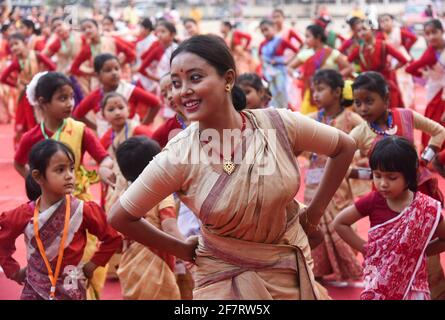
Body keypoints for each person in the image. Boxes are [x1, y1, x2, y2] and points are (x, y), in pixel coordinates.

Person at [108, 34, 357, 300]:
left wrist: (313, 215)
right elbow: (120, 216)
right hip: (223, 281)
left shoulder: (278, 124)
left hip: (290, 275)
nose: (183, 91)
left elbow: (345, 147)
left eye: (195, 78)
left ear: (228, 79)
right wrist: (182, 249)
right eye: (176, 83)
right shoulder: (179, 154)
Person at [349, 71, 445, 299]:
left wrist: (424, 159)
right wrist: (375, 177)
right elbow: (344, 165)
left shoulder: (406, 116)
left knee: (430, 265)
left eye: (369, 101)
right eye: (357, 103)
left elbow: (439, 131)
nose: (363, 108)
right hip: (386, 206)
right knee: (389, 267)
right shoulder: (359, 132)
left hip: (417, 196)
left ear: (386, 97)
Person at [0, 139, 122, 300]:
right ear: (37, 176)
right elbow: (2, 241)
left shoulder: (83, 210)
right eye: (60, 170)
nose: (69, 176)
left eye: (71, 169)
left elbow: (112, 237)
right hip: (35, 289)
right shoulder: (23, 214)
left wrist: (91, 266)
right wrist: (14, 271)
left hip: (72, 288)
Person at [334, 136, 445, 300]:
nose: (383, 184)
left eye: (392, 178)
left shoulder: (425, 207)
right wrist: (366, 249)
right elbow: (340, 223)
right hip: (379, 282)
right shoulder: (373, 201)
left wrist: (419, 251)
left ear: (410, 175)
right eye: (377, 176)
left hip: (413, 286)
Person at [304, 69, 363, 283]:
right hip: (313, 183)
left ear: (337, 92)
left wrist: (361, 160)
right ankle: (318, 270)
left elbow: (368, 140)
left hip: (340, 185)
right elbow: (297, 147)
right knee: (313, 223)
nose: (316, 95)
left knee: (339, 221)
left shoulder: (351, 118)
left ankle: (346, 266)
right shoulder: (310, 120)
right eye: (314, 90)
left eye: (320, 90)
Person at [114, 136, 184, 299]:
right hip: (157, 265)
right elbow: (170, 228)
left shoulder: (122, 196)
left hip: (129, 266)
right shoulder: (161, 195)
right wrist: (190, 254)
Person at [73, 53, 160, 136]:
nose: (114, 73)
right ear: (97, 75)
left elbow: (156, 104)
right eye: (108, 70)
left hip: (132, 138)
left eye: (117, 68)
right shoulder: (95, 96)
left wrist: (142, 125)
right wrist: (96, 127)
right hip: (107, 141)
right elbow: (77, 114)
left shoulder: (129, 90)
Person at [0, 32, 56, 147]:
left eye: (16, 44)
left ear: (25, 43)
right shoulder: (16, 62)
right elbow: (3, 78)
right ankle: (32, 148)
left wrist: (43, 79)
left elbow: (52, 67)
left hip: (40, 92)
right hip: (25, 95)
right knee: (29, 121)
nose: (14, 47)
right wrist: (16, 85)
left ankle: (45, 145)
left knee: (43, 118)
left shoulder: (37, 55)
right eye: (11, 46)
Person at [288, 24, 352, 115]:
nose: (305, 40)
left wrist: (335, 78)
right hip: (311, 93)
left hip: (330, 92)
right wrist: (298, 76)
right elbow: (290, 67)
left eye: (308, 36)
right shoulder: (305, 54)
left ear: (318, 37)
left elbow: (348, 67)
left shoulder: (331, 52)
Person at [347, 19, 408, 109]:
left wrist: (392, 69)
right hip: (367, 88)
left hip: (385, 85)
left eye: (364, 29)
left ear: (372, 30)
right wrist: (354, 75)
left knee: (391, 113)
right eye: (358, 31)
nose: (361, 33)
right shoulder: (358, 50)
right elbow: (345, 63)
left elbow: (403, 60)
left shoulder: (383, 45)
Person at [405, 19, 445, 149]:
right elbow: (409, 69)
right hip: (436, 91)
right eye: (427, 34)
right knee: (436, 120)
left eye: (434, 32)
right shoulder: (429, 54)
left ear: (442, 31)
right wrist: (426, 75)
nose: (431, 36)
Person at [70, 18, 136, 96]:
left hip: (116, 79)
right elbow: (74, 69)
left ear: (97, 27)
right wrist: (92, 73)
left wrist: (119, 64)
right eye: (84, 29)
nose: (87, 30)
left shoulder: (111, 40)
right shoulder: (87, 49)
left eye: (90, 27)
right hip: (99, 83)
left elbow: (131, 54)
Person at [377, 14, 417, 109]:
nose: (385, 23)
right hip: (389, 59)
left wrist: (405, 48)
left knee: (405, 83)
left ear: (392, 21)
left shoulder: (398, 31)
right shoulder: (380, 35)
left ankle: (407, 106)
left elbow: (414, 38)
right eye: (382, 21)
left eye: (387, 20)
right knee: (395, 83)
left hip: (401, 58)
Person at [258, 19, 298, 109]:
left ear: (274, 28)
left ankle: (284, 114)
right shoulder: (262, 44)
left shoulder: (281, 41)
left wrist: (286, 62)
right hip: (269, 74)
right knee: (272, 94)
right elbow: (260, 57)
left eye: (266, 29)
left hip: (280, 72)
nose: (265, 33)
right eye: (262, 31)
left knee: (282, 93)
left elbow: (296, 50)